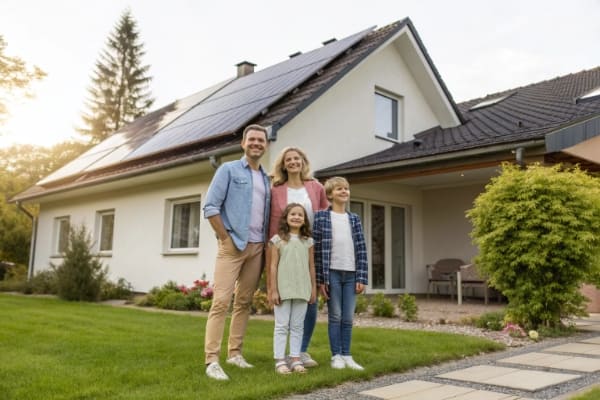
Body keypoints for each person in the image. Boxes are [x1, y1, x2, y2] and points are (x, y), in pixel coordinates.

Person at [202, 124, 271, 381]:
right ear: (243, 144)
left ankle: (235, 354)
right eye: (251, 139)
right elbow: (210, 207)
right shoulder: (228, 170)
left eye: (260, 140)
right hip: (232, 247)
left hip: (256, 248)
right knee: (220, 302)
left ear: (266, 145)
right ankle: (212, 361)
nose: (256, 143)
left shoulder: (267, 178)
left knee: (244, 302)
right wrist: (224, 238)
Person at [268, 146, 328, 368]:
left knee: (310, 300)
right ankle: (281, 356)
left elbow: (325, 217)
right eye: (289, 159)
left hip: (311, 246)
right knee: (284, 303)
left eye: (297, 158)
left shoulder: (316, 187)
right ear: (283, 165)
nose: (293, 162)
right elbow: (271, 224)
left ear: (303, 161)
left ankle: (300, 352)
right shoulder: (275, 190)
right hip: (283, 248)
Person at [313, 176, 368, 371]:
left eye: (346, 188)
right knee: (335, 316)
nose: (344, 191)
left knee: (348, 318)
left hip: (352, 274)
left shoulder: (354, 219)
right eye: (339, 189)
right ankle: (336, 355)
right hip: (332, 273)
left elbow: (361, 248)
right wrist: (320, 280)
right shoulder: (320, 217)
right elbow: (317, 251)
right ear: (329, 194)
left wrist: (362, 276)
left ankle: (347, 355)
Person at [269, 203, 317, 374]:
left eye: (300, 215)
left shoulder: (308, 242)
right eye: (293, 214)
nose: (296, 217)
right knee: (281, 325)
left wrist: (312, 289)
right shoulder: (277, 240)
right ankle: (280, 359)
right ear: (286, 218)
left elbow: (311, 267)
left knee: (298, 326)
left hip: (302, 289)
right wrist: (273, 290)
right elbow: (273, 267)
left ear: (304, 220)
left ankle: (295, 358)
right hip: (283, 289)